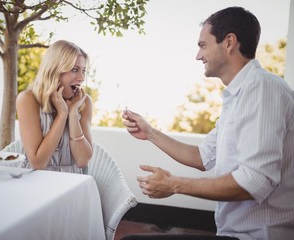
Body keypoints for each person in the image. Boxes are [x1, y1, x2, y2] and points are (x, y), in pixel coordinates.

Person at [122, 6, 294, 240]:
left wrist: (173, 184)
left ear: (229, 42)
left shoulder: (262, 88)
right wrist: (150, 133)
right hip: (232, 233)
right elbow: (203, 157)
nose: (198, 55)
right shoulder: (239, 96)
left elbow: (254, 182)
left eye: (203, 45)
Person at [16, 40, 93, 173]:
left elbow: (82, 161)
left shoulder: (84, 103)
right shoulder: (28, 100)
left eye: (83, 71)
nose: (81, 78)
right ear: (55, 70)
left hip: (73, 183)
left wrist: (73, 113)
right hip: (36, 182)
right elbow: (38, 163)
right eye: (75, 70)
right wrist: (62, 115)